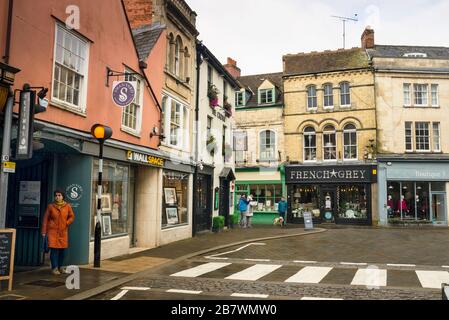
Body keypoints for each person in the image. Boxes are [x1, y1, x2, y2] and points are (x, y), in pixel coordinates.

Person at [41, 190, 75, 275]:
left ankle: (61, 267)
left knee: (62, 251)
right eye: (56, 195)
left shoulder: (67, 206)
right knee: (54, 250)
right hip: (52, 232)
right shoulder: (50, 206)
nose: (57, 197)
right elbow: (45, 219)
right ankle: (54, 268)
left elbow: (72, 216)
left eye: (59, 195)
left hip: (63, 232)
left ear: (63, 196)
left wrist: (66, 223)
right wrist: (44, 232)